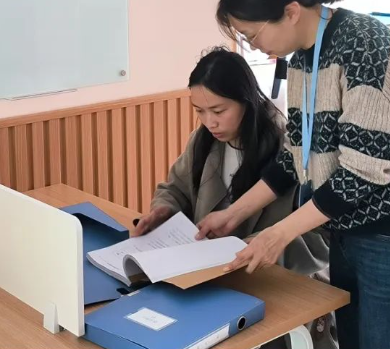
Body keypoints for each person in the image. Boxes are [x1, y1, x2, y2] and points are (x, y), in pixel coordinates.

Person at [197, 0, 390, 349]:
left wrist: (278, 234)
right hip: (347, 228)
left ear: (290, 11)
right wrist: (234, 214)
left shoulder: (365, 44)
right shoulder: (303, 57)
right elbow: (295, 155)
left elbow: (361, 173)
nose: (253, 46)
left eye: (251, 34)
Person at [135, 47, 332, 348]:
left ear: (247, 100)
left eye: (218, 111)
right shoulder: (202, 141)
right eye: (199, 111)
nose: (209, 122)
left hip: (273, 287)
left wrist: (262, 247)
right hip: (209, 282)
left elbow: (319, 240)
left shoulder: (287, 147)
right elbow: (174, 188)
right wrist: (163, 210)